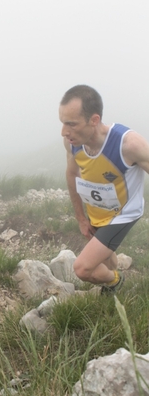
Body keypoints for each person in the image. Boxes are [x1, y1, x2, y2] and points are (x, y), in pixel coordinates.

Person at [59, 85, 149, 294]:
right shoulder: (72, 142)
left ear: (94, 120)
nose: (64, 132)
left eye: (71, 124)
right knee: (107, 260)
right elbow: (72, 174)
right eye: (63, 123)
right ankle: (113, 275)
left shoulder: (128, 144)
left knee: (83, 268)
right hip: (96, 211)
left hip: (123, 214)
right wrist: (81, 217)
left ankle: (116, 281)